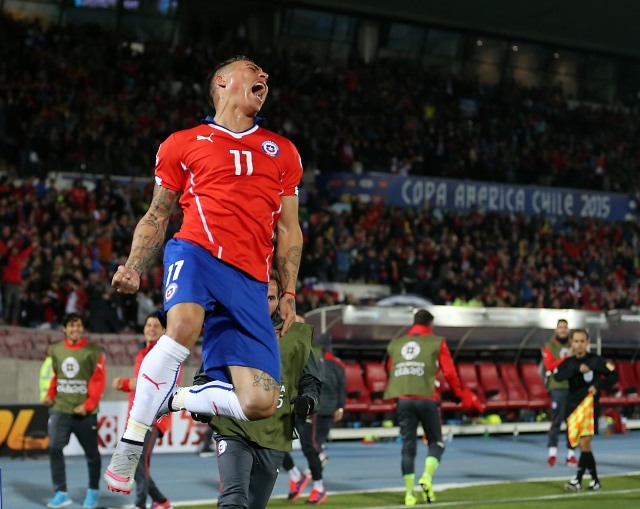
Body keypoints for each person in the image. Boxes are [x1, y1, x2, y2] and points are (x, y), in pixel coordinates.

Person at [104, 54, 304, 494]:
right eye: (254, 70)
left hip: (252, 281)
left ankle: (170, 398)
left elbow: (290, 229)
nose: (264, 76)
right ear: (222, 82)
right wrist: (135, 266)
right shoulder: (183, 143)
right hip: (197, 252)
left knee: (260, 402)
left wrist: (288, 292)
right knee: (182, 325)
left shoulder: (283, 151)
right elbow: (158, 213)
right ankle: (131, 443)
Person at [192, 274, 322, 508]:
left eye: (271, 297)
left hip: (273, 433)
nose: (265, 303)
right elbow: (205, 375)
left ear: (280, 300)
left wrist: (308, 400)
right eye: (259, 296)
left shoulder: (295, 337)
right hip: (233, 428)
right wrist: (201, 404)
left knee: (254, 504)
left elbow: (310, 381)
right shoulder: (226, 329)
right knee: (233, 498)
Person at [383, 309, 484, 506]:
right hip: (427, 398)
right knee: (436, 442)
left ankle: (409, 495)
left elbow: (389, 369)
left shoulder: (397, 343)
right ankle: (427, 478)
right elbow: (450, 372)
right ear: (430, 324)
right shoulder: (436, 342)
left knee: (408, 446)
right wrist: (457, 394)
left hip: (403, 399)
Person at [43, 313, 106, 509]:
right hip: (60, 408)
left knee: (92, 454)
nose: (75, 329)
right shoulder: (56, 350)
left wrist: (87, 405)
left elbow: (98, 381)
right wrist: (50, 394)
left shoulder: (94, 351)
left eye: (78, 326)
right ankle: (61, 493)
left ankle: (93, 492)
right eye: (71, 326)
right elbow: (56, 375)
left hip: (84, 413)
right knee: (54, 448)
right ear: (64, 329)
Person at [112, 313, 174, 509]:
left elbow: (153, 384)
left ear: (164, 331)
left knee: (139, 461)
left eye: (156, 326)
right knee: (136, 462)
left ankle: (140, 504)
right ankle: (161, 501)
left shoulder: (163, 353)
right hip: (137, 417)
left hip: (153, 418)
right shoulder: (143, 353)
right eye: (148, 325)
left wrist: (124, 384)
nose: (151, 329)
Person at [283, 333, 346, 504]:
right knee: (276, 442)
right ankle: (297, 475)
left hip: (312, 405)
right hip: (300, 402)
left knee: (309, 446)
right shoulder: (333, 361)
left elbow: (320, 381)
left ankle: (318, 486)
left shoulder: (318, 357)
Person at [553, 329, 618, 492]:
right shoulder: (569, 362)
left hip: (590, 407)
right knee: (583, 447)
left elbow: (614, 375)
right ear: (571, 343)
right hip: (573, 408)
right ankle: (595, 480)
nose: (579, 345)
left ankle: (577, 479)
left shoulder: (596, 360)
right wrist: (576, 369)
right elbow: (557, 376)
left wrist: (598, 386)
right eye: (576, 341)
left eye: (582, 341)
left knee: (585, 442)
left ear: (587, 343)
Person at [542, 318, 577, 466]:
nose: (563, 330)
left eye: (565, 327)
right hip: (557, 387)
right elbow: (549, 366)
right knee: (556, 421)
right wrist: (565, 358)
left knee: (573, 422)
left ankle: (571, 454)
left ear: (568, 330)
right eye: (560, 327)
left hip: (572, 388)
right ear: (556, 330)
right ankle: (552, 454)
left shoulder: (574, 345)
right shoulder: (549, 346)